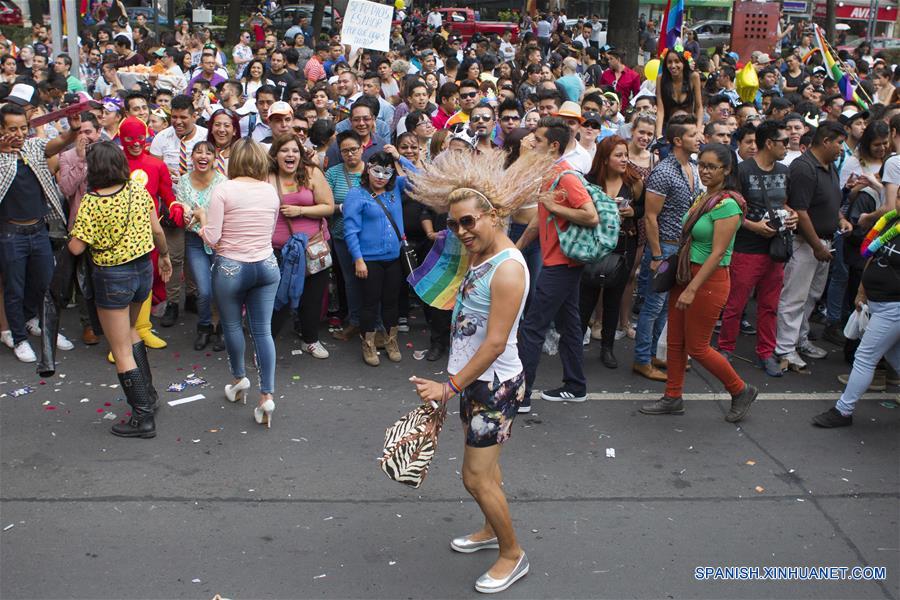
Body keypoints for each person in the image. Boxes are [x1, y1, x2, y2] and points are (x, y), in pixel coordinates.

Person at [409, 148, 554, 596]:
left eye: (469, 221)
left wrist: (448, 386)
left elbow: (494, 343)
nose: (460, 231)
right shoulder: (478, 255)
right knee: (486, 473)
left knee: (474, 476)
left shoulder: (508, 270)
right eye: (453, 223)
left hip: (495, 386)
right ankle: (492, 530)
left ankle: (512, 553)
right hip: (477, 380)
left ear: (494, 215)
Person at [640, 143, 758, 421]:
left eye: (711, 167)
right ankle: (672, 396)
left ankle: (740, 390)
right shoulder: (705, 197)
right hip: (685, 274)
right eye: (701, 165)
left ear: (726, 170)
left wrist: (692, 289)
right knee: (676, 342)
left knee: (698, 347)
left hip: (707, 280)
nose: (704, 171)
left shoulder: (729, 204)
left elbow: (718, 254)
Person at [68, 141, 173, 438]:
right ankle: (149, 396)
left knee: (121, 349)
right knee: (132, 332)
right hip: (142, 271)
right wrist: (164, 256)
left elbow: (77, 247)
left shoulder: (92, 201)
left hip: (112, 277)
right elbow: (157, 230)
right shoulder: (138, 192)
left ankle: (143, 418)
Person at [192, 138, 281, 428]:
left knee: (231, 326)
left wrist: (202, 219)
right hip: (266, 265)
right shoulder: (270, 191)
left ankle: (239, 378)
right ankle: (266, 394)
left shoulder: (223, 190)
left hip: (231, 266)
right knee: (263, 331)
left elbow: (213, 238)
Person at [515, 116, 599, 412]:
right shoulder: (549, 174)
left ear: (552, 145)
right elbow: (541, 219)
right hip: (562, 262)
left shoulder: (566, 176)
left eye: (536, 139)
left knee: (533, 326)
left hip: (561, 264)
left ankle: (521, 396)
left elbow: (590, 215)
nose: (531, 143)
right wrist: (517, 248)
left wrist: (554, 205)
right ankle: (575, 386)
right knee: (569, 323)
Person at [0, 103, 81, 362]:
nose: (20, 133)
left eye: (24, 127)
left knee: (47, 284)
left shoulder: (33, 147)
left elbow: (58, 141)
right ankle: (19, 338)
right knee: (14, 288)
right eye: (13, 129)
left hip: (39, 231)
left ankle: (47, 328)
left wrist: (73, 130)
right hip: (10, 234)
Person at [718, 121, 798, 376]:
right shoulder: (742, 171)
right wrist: (754, 226)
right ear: (769, 143)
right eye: (784, 141)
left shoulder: (785, 171)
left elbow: (785, 204)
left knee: (770, 305)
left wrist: (792, 215)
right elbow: (726, 208)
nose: (789, 145)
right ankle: (725, 349)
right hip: (746, 248)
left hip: (775, 248)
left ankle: (766, 352)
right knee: (736, 304)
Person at [775, 122, 854, 372]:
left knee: (811, 296)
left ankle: (800, 339)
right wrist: (816, 245)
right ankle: (785, 348)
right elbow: (801, 210)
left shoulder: (827, 166)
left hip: (824, 241)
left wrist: (839, 220)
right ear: (826, 141)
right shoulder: (804, 168)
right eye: (840, 143)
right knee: (794, 296)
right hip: (806, 243)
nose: (842, 148)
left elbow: (825, 202)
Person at [812, 209, 900, 427]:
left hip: (894, 307)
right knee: (894, 355)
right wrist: (862, 291)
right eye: (899, 195)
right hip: (877, 302)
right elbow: (874, 254)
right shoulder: (892, 221)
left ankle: (843, 410)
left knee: (865, 356)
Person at [633, 115, 702, 381]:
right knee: (653, 305)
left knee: (664, 306)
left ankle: (651, 354)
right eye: (693, 135)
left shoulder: (693, 167)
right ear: (677, 140)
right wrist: (657, 255)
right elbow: (650, 216)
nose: (699, 138)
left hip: (681, 247)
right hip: (664, 248)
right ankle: (641, 359)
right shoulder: (663, 171)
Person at [342, 150, 417, 365]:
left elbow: (422, 177)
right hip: (369, 260)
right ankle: (368, 344)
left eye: (386, 172)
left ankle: (390, 341)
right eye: (376, 170)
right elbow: (350, 230)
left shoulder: (396, 189)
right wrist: (358, 259)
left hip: (394, 258)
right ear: (368, 169)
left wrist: (400, 159)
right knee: (370, 304)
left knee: (391, 303)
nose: (381, 177)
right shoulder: (356, 194)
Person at [269, 135, 335, 358]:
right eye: (284, 151)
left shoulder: (312, 173)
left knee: (313, 298)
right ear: (275, 155)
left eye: (295, 151)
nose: (290, 155)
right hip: (279, 251)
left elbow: (328, 207)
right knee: (279, 299)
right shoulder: (267, 177)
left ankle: (311, 340)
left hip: (313, 247)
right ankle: (265, 345)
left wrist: (300, 211)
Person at [581, 136, 644, 368]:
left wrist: (632, 213)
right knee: (586, 296)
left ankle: (607, 348)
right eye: (619, 155)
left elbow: (643, 209)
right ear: (605, 159)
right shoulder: (590, 181)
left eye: (626, 154)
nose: (624, 159)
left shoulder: (634, 181)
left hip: (623, 245)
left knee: (613, 299)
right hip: (595, 244)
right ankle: (576, 345)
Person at [173, 141, 226, 351]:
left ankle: (222, 328)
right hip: (195, 242)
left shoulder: (223, 182)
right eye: (198, 152)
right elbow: (184, 217)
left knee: (222, 288)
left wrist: (199, 214)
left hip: (220, 242)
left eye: (208, 153)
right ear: (192, 157)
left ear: (215, 159)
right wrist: (198, 216)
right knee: (204, 290)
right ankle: (204, 327)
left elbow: (223, 215)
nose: (203, 156)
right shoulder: (184, 181)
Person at [325, 131, 366, 341]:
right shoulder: (332, 173)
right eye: (345, 151)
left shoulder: (372, 171)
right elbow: (325, 205)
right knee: (350, 280)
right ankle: (355, 321)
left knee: (371, 279)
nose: (350, 154)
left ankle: (371, 323)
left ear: (362, 149)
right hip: (342, 235)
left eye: (354, 149)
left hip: (369, 237)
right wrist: (344, 207)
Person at [654, 48, 703, 140]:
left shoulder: (693, 77)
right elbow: (660, 110)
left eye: (677, 62)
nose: (673, 66)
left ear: (684, 63)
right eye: (669, 62)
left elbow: (699, 107)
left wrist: (699, 129)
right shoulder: (660, 79)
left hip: (689, 126)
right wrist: (659, 134)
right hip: (668, 126)